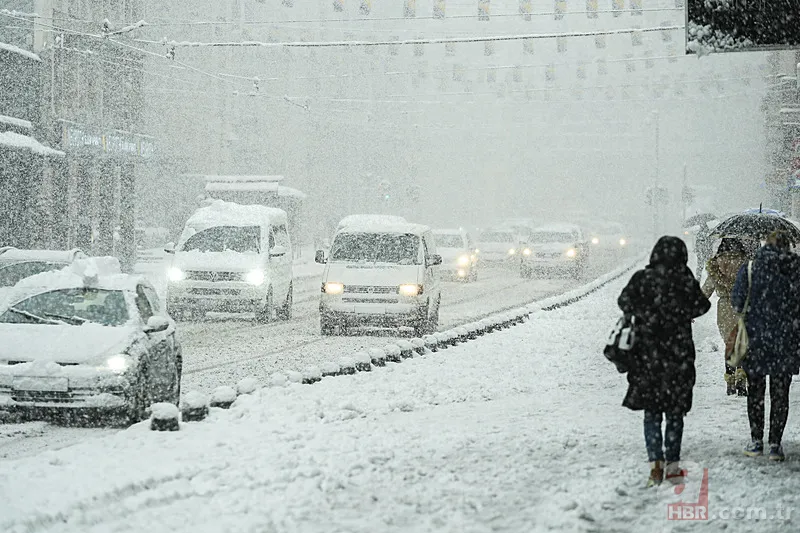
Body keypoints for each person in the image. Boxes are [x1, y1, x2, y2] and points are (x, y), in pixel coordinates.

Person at [618, 236, 711, 487]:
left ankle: (655, 466)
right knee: (675, 412)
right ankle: (672, 466)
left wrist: (645, 312)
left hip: (647, 355)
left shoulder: (642, 278)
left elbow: (623, 301)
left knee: (652, 412)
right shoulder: (684, 279)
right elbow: (702, 306)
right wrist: (680, 311)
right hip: (678, 355)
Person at [732, 231, 800, 462]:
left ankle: (756, 441)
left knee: (756, 392)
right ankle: (775, 445)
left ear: (765, 245)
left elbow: (737, 301)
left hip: (756, 340)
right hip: (787, 341)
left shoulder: (751, 268)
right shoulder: (796, 269)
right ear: (788, 246)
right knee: (780, 394)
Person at [702, 239, 750, 396]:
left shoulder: (715, 267)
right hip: (742, 307)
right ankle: (741, 381)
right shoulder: (745, 265)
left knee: (730, 345)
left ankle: (730, 382)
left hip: (724, 310)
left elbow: (705, 292)